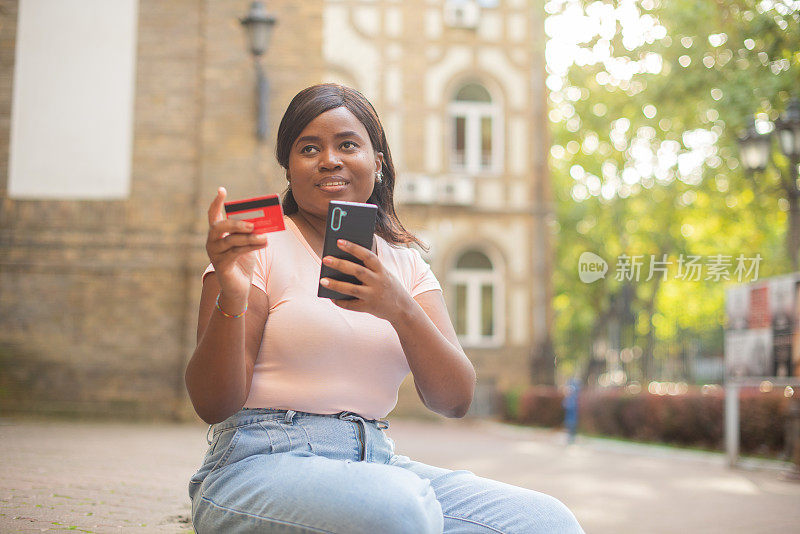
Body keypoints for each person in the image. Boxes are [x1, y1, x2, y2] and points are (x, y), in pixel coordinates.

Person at [185, 83, 585, 533]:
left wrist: (399, 308)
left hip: (376, 461)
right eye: (308, 148)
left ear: (377, 163)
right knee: (399, 510)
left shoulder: (405, 263)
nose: (329, 159)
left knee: (546, 522)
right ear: (289, 168)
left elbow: (455, 400)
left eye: (347, 144)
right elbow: (212, 403)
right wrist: (232, 298)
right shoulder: (254, 249)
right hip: (257, 465)